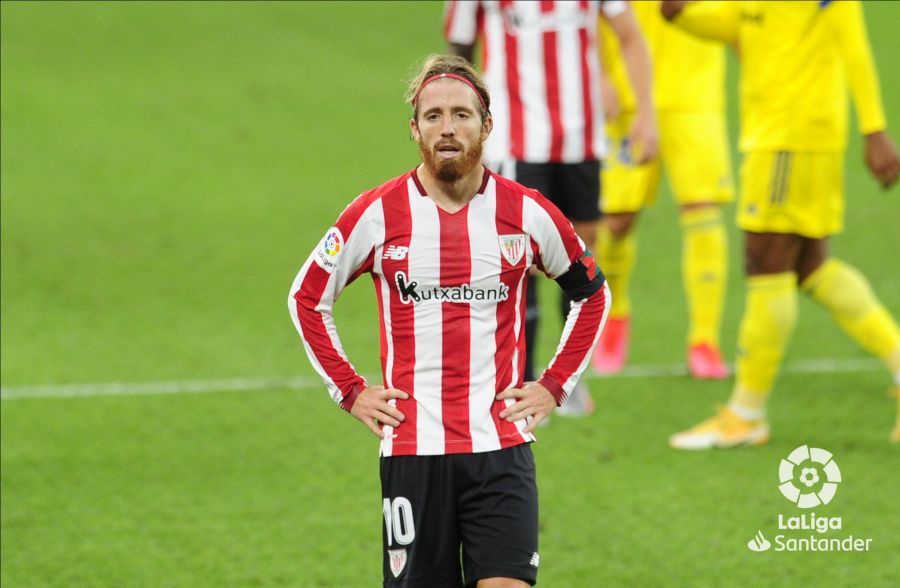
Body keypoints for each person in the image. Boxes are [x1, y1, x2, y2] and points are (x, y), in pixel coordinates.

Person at [288, 55, 610, 587]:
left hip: (501, 452)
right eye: (433, 115)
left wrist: (554, 386)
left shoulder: (527, 212)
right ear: (414, 128)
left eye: (461, 114)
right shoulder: (376, 214)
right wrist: (350, 390)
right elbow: (307, 298)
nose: (447, 128)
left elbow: (592, 295)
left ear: (486, 125)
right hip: (414, 455)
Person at [659, 0, 900, 449]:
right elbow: (720, 20)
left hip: (790, 142)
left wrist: (875, 130)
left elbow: (855, 45)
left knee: (766, 264)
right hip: (788, 140)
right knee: (811, 267)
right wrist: (678, 12)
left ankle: (746, 415)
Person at [444, 0, 656, 415]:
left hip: (583, 137)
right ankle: (518, 382)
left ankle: (569, 379)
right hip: (515, 139)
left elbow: (630, 36)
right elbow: (459, 50)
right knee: (518, 259)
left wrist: (645, 114)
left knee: (579, 254)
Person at [592, 0, 734, 379]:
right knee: (617, 221)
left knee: (702, 210)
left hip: (696, 99)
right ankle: (615, 313)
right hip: (628, 98)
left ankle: (705, 339)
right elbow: (586, 11)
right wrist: (600, 74)